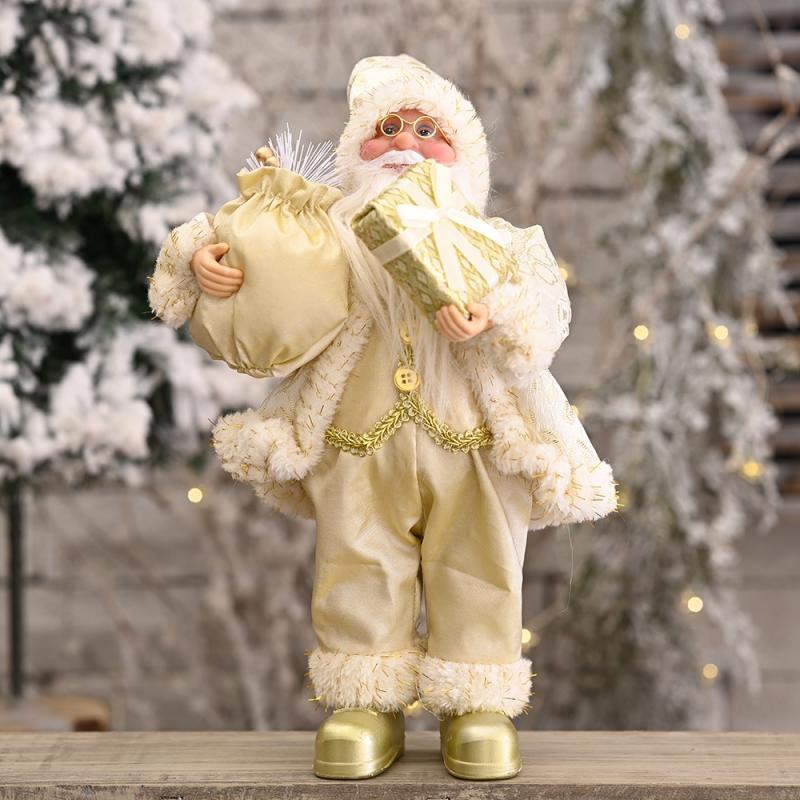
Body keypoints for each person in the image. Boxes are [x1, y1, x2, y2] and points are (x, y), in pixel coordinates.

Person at [149, 54, 617, 781]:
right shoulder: (327, 233)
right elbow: (253, 247)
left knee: (480, 565)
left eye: (429, 131)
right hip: (356, 437)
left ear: (465, 157)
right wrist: (206, 262)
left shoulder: (497, 242)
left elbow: (543, 310)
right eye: (387, 127)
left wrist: (491, 311)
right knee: (358, 563)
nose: (404, 141)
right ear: (355, 149)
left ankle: (476, 700)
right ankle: (366, 700)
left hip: (473, 443)